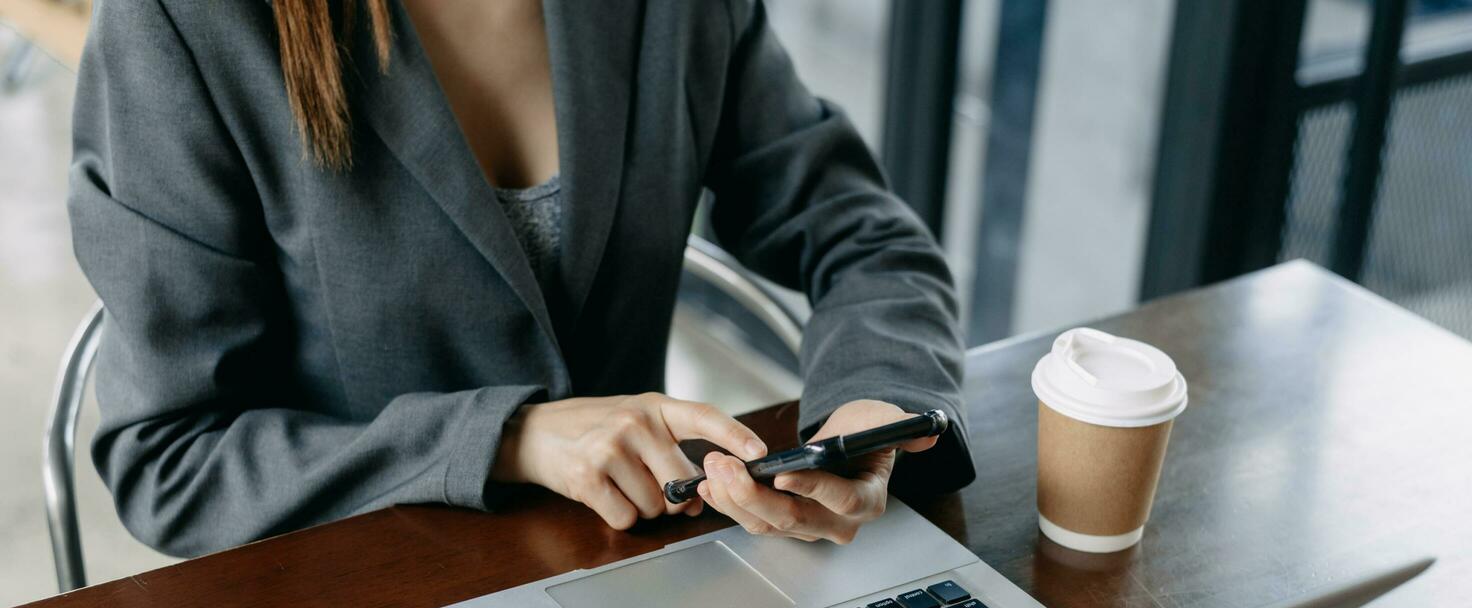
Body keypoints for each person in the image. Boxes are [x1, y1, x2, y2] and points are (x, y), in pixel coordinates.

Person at [69, 0, 974, 557]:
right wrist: (510, 441)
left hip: (630, 592)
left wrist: (873, 408)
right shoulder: (180, 20)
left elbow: (860, 234)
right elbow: (171, 460)